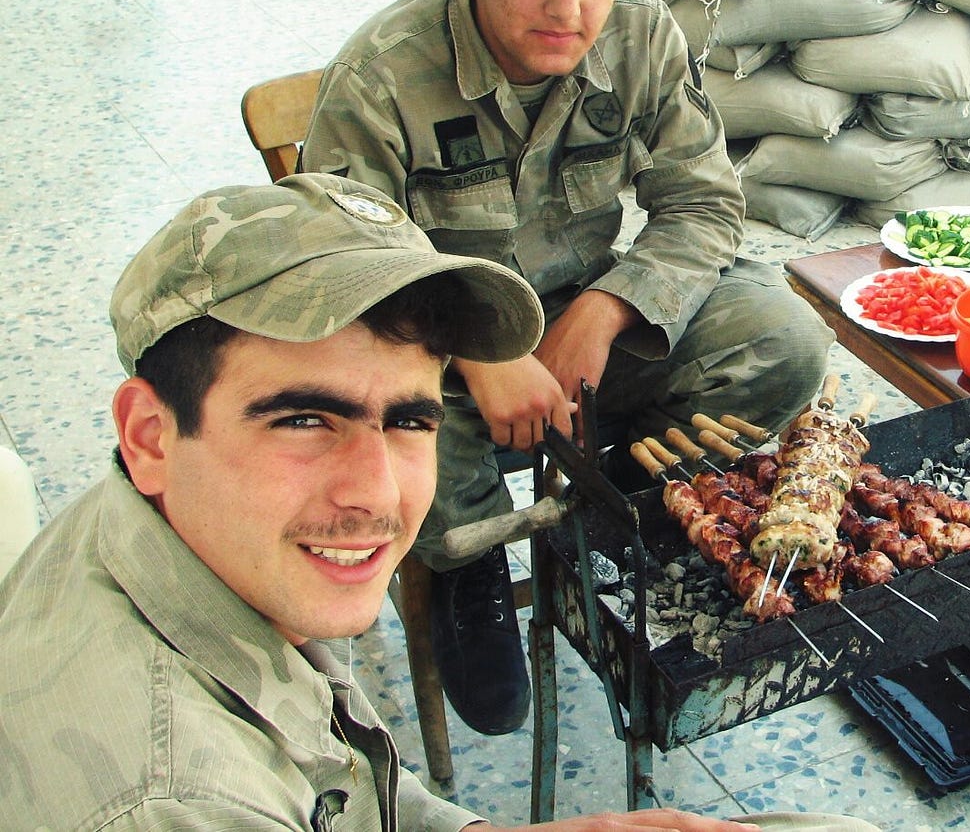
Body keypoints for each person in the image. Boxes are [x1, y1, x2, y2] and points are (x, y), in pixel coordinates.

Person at [0, 174, 873, 832]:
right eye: (304, 419)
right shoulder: (171, 798)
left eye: (411, 417)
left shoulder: (187, 540)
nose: (376, 495)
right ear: (151, 433)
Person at [300, 0, 835, 736]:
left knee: (784, 340)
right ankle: (469, 559)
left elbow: (703, 204)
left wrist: (609, 305)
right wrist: (478, 347)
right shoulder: (382, 75)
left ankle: (623, 502)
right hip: (437, 356)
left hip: (586, 327)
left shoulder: (643, 35)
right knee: (380, 410)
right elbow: (339, 273)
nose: (567, 3)